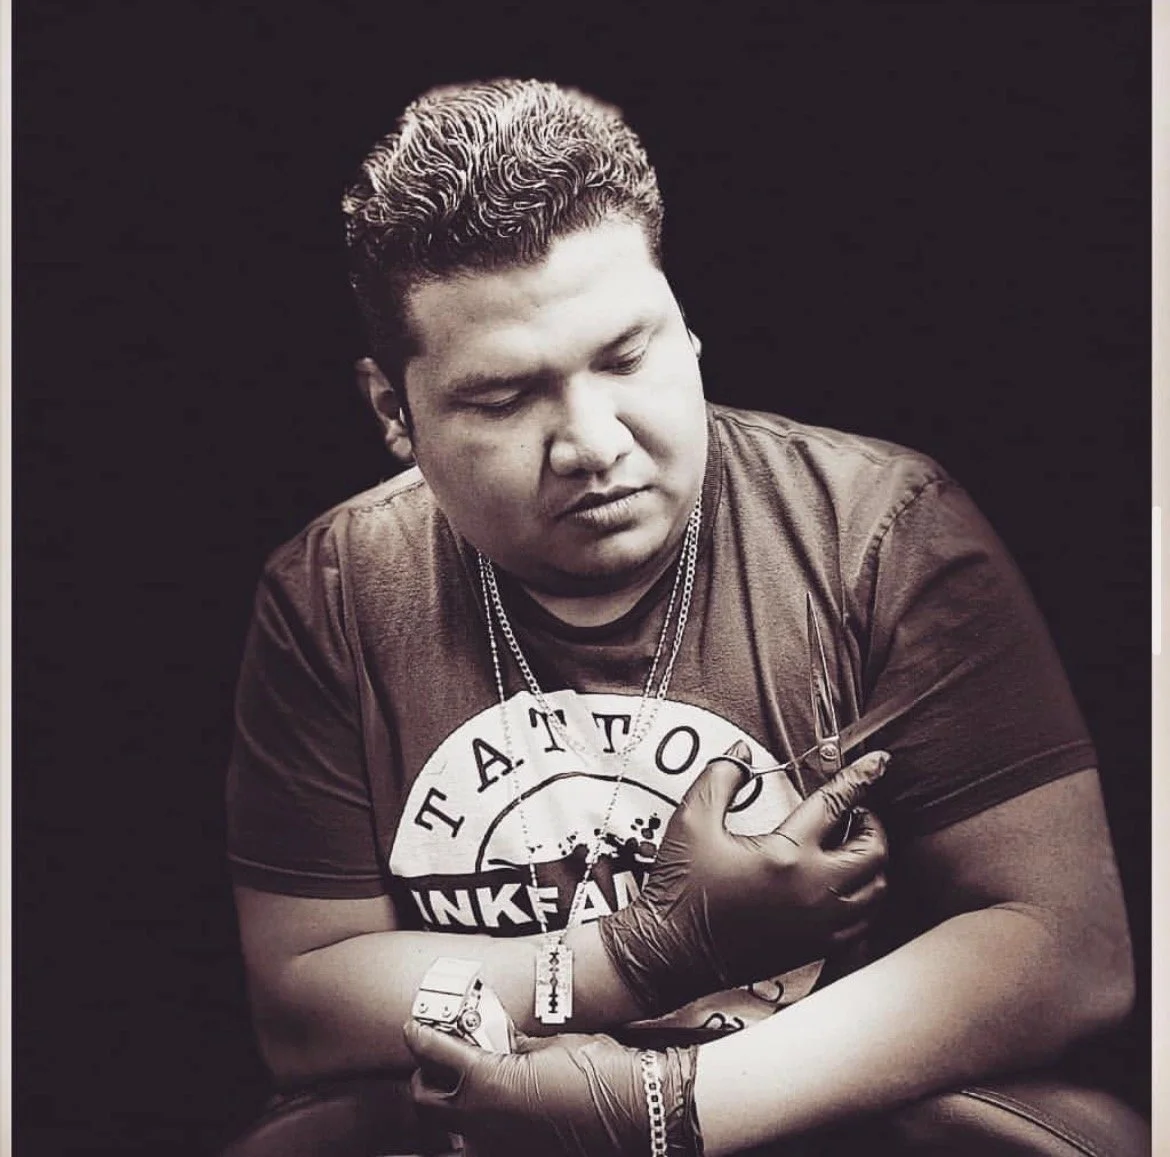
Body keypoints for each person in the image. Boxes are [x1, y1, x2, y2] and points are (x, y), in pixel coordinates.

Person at [226, 79, 1135, 1156]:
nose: (592, 440)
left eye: (626, 355)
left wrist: (672, 1106)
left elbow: (1069, 946)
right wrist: (635, 955)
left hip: (829, 1118)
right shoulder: (334, 589)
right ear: (394, 410)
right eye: (506, 397)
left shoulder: (880, 531)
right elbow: (305, 996)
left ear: (687, 328)